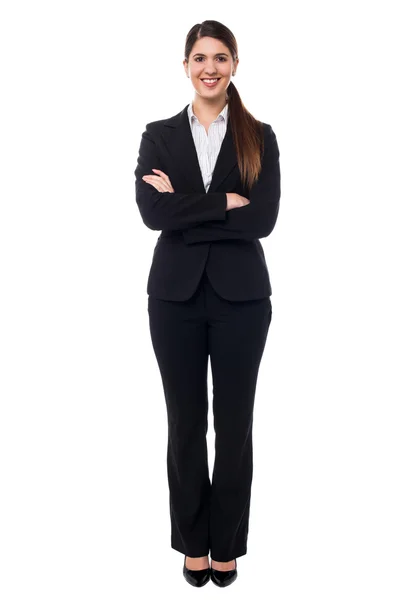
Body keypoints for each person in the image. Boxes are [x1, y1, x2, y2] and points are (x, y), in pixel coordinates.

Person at [134, 19, 281, 587]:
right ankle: (194, 543)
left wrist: (187, 208)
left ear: (235, 65)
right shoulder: (158, 134)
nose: (211, 67)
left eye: (221, 57)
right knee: (185, 423)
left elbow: (263, 219)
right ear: (186, 66)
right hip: (173, 299)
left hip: (242, 299)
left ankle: (228, 544)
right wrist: (222, 201)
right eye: (200, 57)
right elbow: (151, 214)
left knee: (236, 424)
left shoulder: (260, 136)